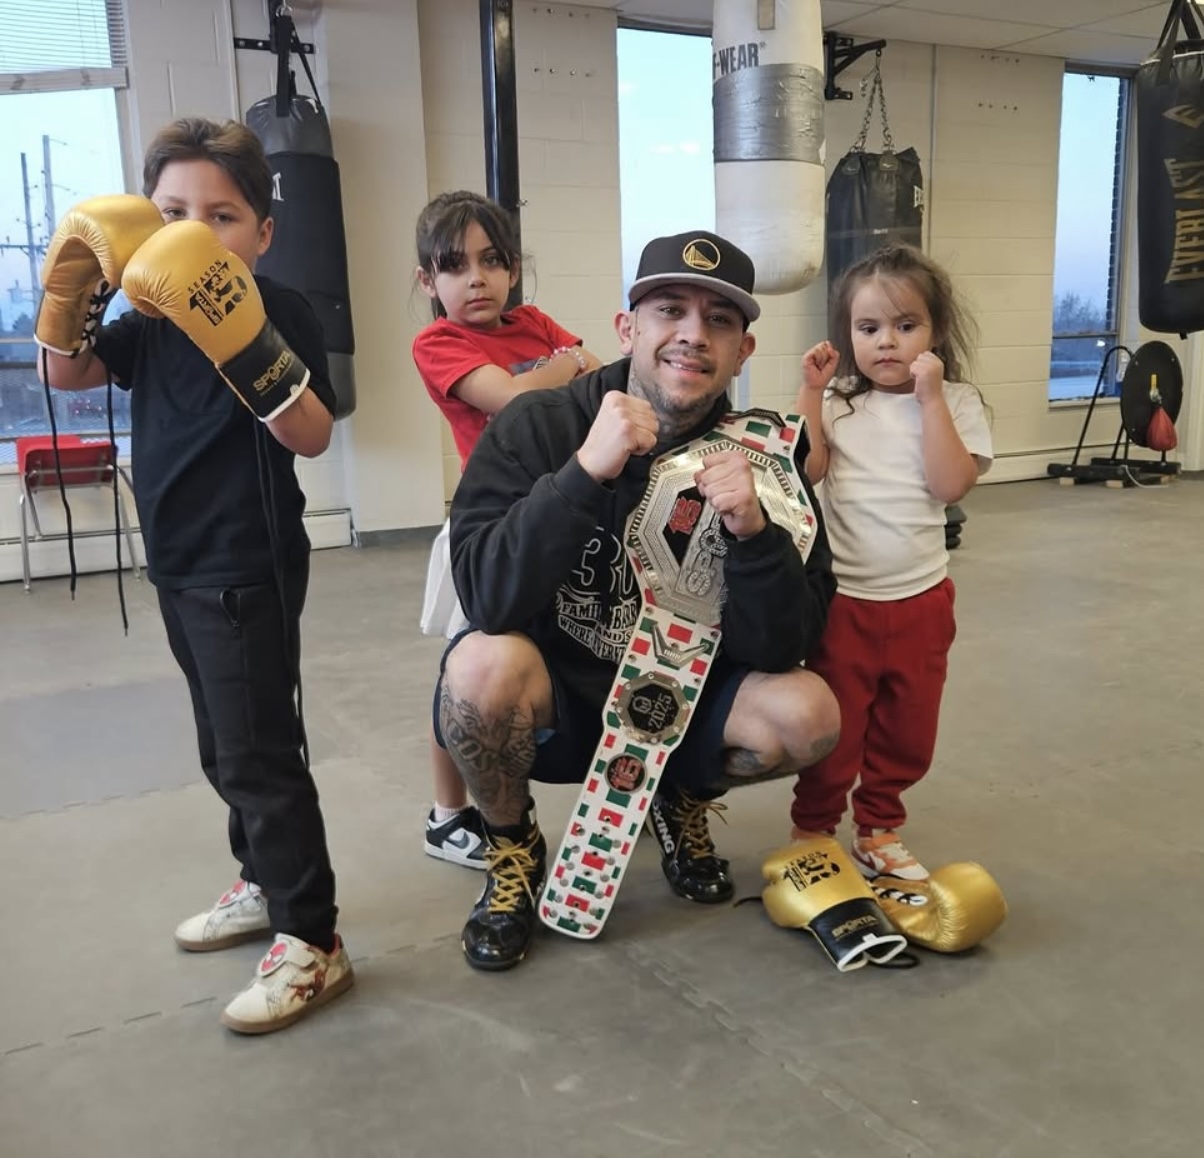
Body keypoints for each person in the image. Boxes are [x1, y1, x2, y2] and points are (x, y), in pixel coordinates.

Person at [434, 230, 841, 971]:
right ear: (629, 329)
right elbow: (486, 594)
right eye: (670, 310)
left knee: (808, 713)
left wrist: (753, 534)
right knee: (478, 672)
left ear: (744, 351)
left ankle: (680, 795)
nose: (693, 334)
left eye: (719, 320)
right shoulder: (541, 425)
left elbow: (788, 645)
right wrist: (583, 474)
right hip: (558, 707)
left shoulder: (767, 461)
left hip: (680, 709)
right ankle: (511, 846)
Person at [35, 117, 352, 1034]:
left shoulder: (280, 308)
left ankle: (313, 940)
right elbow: (68, 373)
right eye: (173, 211)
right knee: (223, 747)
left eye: (220, 214)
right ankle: (261, 879)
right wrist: (71, 291)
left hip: (246, 560)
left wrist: (239, 336)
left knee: (260, 755)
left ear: (262, 231)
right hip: (175, 559)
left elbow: (314, 433)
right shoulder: (146, 319)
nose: (193, 231)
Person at [789, 243, 993, 881]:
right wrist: (811, 391)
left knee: (908, 724)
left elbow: (950, 485)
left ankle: (879, 826)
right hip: (846, 600)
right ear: (847, 334)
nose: (886, 343)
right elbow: (806, 469)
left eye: (906, 327)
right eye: (868, 328)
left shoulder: (956, 403)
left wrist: (930, 400)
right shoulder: (842, 402)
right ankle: (813, 828)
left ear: (936, 332)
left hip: (922, 600)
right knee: (839, 727)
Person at [411, 191, 603, 870]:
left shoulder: (533, 323)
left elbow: (599, 372)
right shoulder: (439, 342)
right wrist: (567, 366)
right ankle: (447, 815)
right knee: (463, 669)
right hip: (486, 530)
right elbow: (522, 401)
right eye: (454, 265)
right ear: (427, 281)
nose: (477, 279)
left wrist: (575, 366)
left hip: (551, 519)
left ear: (514, 269)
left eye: (492, 261)